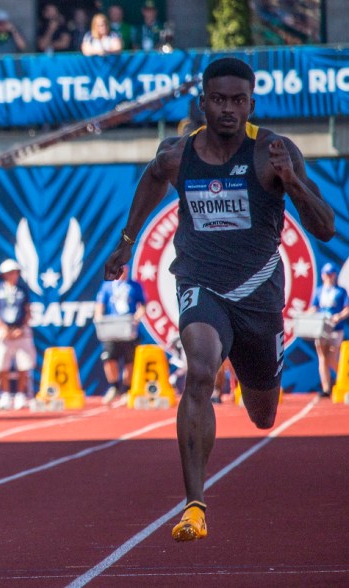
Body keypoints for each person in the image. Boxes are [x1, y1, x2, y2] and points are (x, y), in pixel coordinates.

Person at [104, 57, 335, 542]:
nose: (228, 109)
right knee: (201, 370)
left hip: (257, 293)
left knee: (262, 414)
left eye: (238, 101)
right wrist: (127, 241)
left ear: (250, 104)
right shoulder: (176, 154)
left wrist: (291, 182)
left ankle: (250, 370)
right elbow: (151, 177)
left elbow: (326, 227)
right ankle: (194, 505)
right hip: (199, 283)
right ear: (203, 102)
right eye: (219, 100)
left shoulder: (273, 150)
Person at [0, 259, 36, 410]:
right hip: (3, 332)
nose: (12, 275)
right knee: (2, 364)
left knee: (24, 364)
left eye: (15, 272)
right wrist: (4, 329)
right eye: (9, 273)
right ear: (3, 275)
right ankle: (6, 395)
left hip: (21, 331)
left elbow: (28, 311)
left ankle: (21, 395)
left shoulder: (23, 290)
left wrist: (21, 328)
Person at [94, 264, 146, 403]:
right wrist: (99, 318)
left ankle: (126, 390)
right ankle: (114, 387)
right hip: (112, 328)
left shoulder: (135, 286)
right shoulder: (107, 286)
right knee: (109, 358)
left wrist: (136, 318)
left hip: (129, 329)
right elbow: (100, 305)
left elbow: (143, 305)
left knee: (130, 361)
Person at [307, 262, 349, 397]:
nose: (329, 277)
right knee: (322, 357)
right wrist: (307, 315)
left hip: (336, 328)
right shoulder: (319, 291)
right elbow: (314, 307)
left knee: (331, 356)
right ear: (323, 275)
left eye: (331, 274)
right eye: (327, 274)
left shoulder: (340, 291)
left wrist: (339, 316)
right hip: (322, 329)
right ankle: (326, 388)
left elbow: (346, 309)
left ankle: (344, 379)